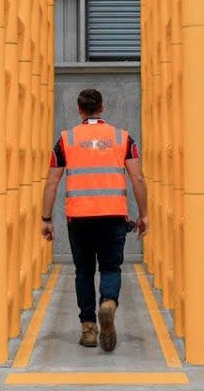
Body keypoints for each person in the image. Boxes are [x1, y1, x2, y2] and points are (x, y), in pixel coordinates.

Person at [41, 89, 148, 353]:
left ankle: (88, 328)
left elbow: (52, 183)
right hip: (113, 216)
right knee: (111, 268)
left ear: (79, 110)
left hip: (79, 217)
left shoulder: (66, 140)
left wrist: (46, 218)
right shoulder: (122, 138)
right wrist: (144, 214)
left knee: (83, 271)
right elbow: (138, 179)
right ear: (102, 107)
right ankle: (108, 303)